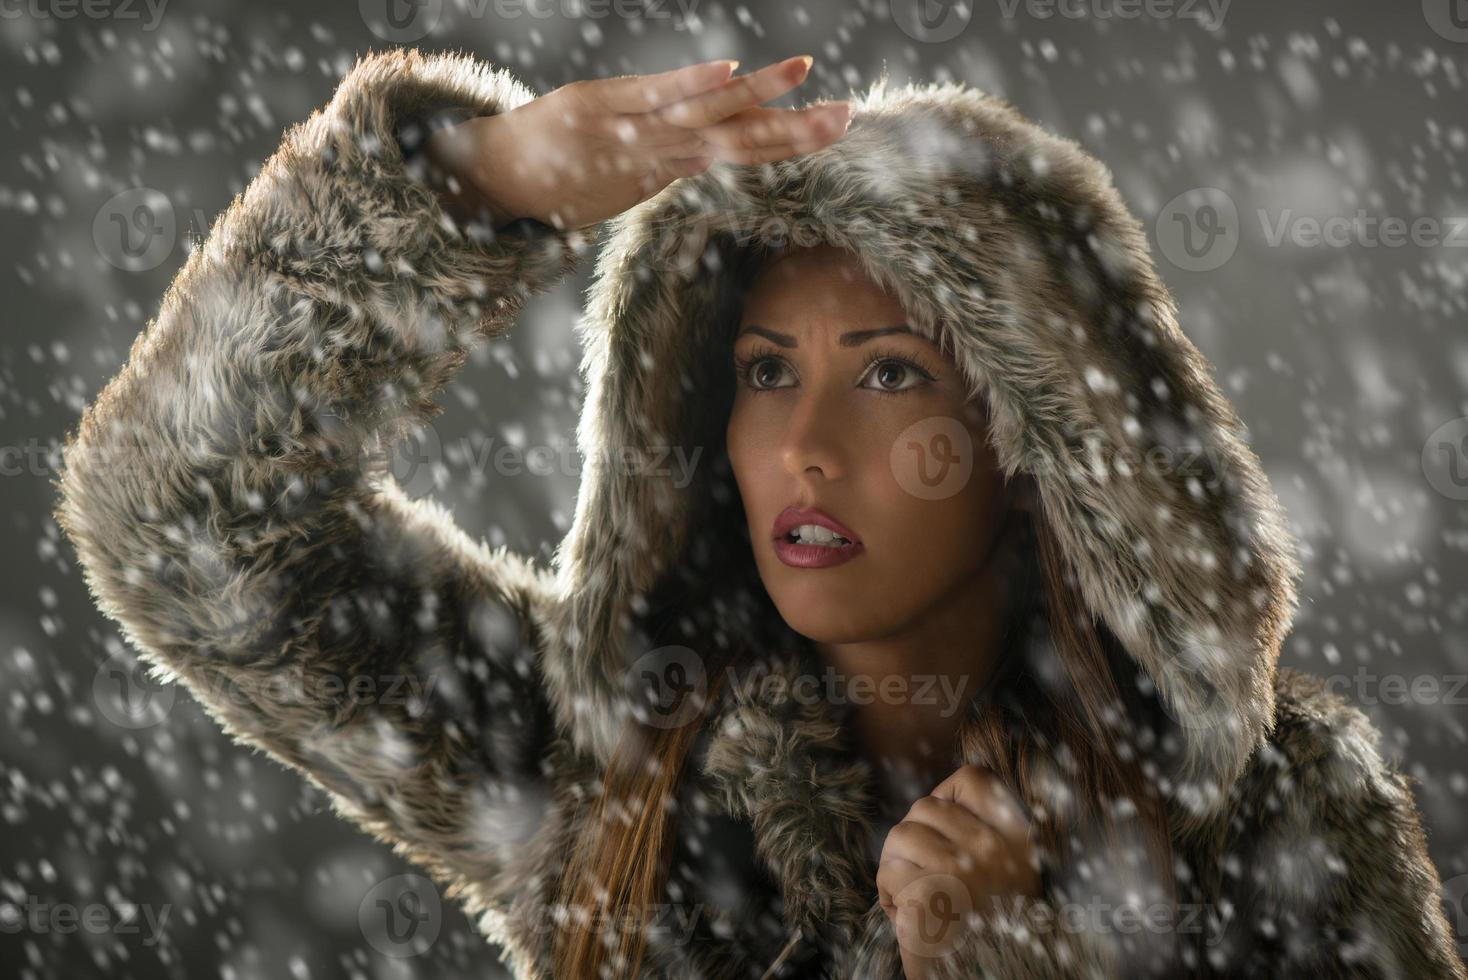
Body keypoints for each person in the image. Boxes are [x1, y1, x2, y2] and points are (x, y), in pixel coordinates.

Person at [52, 47, 1466, 980]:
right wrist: (474, 189)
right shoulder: (610, 769)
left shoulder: (1272, 817)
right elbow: (178, 522)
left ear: (1039, 440)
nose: (806, 449)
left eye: (890, 375)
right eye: (763, 374)